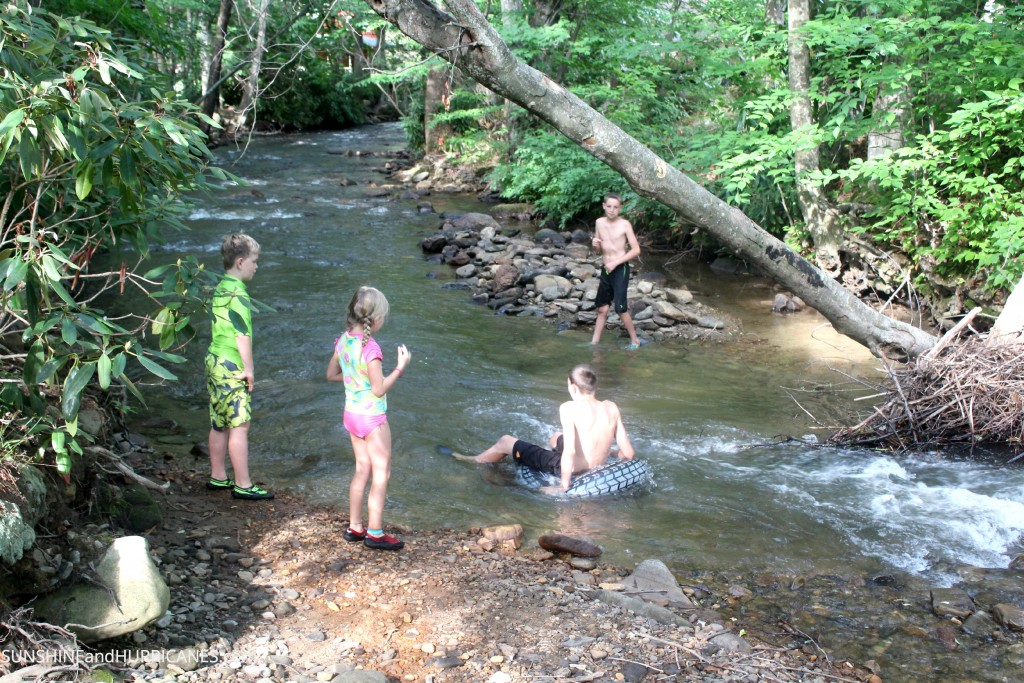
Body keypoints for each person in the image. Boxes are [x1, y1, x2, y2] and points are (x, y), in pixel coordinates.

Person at [452, 365, 634, 495]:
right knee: (556, 437)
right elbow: (628, 453)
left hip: (569, 468)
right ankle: (539, 452)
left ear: (572, 386)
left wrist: (563, 486)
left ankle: (474, 460)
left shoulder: (569, 408)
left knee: (505, 441)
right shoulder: (611, 407)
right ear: (594, 386)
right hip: (597, 465)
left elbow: (569, 451)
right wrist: (606, 452)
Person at [326, 286, 411, 551]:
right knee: (381, 473)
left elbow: (331, 375)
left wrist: (354, 380)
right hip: (372, 418)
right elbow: (378, 389)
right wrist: (400, 367)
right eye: (383, 316)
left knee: (362, 468)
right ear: (374, 320)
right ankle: (374, 533)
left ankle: (355, 527)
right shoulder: (370, 348)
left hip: (351, 415)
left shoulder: (343, 340)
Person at [205, 232, 274, 500]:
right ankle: (243, 484)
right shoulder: (239, 294)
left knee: (219, 422)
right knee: (240, 425)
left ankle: (218, 476)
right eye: (255, 261)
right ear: (241, 262)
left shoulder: (221, 287)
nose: (257, 266)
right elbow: (241, 335)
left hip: (213, 360)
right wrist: (249, 369)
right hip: (232, 363)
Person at [590, 192, 645, 349]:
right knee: (602, 308)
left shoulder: (625, 224)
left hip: (620, 268)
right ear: (604, 206)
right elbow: (598, 249)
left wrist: (615, 263)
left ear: (620, 208)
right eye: (609, 206)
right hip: (606, 268)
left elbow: (636, 250)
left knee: (620, 308)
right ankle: (594, 343)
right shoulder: (599, 222)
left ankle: (635, 340)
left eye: (615, 207)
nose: (612, 210)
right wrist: (595, 244)